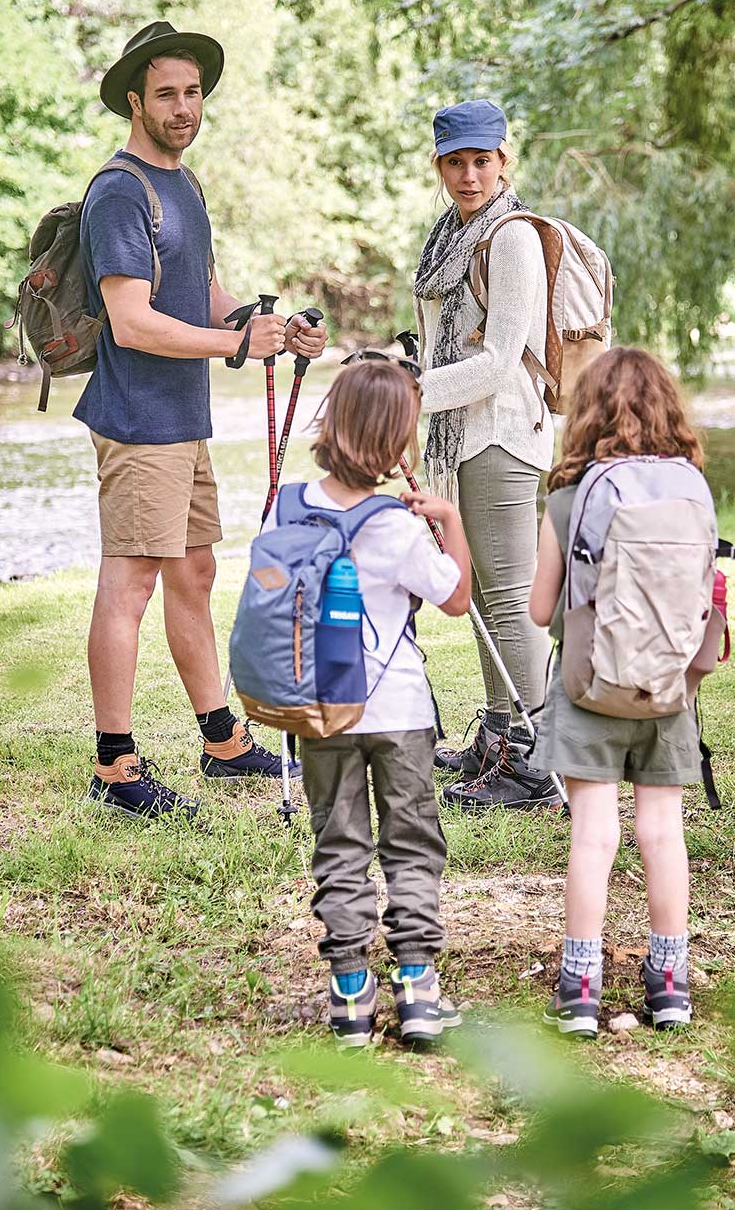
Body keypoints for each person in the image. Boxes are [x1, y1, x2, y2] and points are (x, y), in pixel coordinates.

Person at [78, 20, 327, 820]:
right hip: (138, 419)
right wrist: (230, 342)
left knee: (194, 572)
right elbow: (132, 322)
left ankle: (220, 739)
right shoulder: (120, 190)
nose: (183, 108)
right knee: (131, 581)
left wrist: (268, 327)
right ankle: (115, 766)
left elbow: (207, 297)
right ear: (134, 100)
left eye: (192, 93)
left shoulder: (184, 185)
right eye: (166, 95)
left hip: (182, 419)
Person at [276, 358, 471, 1046]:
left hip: (324, 708)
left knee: (340, 840)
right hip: (400, 712)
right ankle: (418, 987)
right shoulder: (400, 526)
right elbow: (456, 601)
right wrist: (447, 519)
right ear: (396, 444)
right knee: (411, 843)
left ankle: (350, 994)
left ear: (330, 424)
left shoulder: (290, 504)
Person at [529, 347, 706, 1038]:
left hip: (587, 686)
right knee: (662, 832)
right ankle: (669, 984)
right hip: (667, 688)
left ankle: (579, 989)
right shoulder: (690, 486)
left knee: (593, 835)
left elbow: (542, 608)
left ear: (587, 411)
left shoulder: (570, 495)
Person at [414, 98, 559, 812]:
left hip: (503, 432)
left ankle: (532, 765)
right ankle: (499, 736)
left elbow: (502, 361)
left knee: (507, 599)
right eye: (454, 162)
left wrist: (408, 390)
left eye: (481, 161)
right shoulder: (452, 234)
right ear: (439, 164)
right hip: (463, 437)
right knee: (484, 605)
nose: (468, 175)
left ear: (505, 161)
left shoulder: (511, 237)